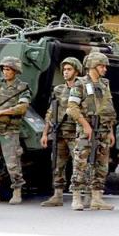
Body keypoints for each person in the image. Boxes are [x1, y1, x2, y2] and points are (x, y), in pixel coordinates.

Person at [67, 52, 116, 210]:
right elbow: (72, 108)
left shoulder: (104, 84)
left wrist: (110, 131)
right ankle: (76, 197)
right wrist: (85, 125)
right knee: (80, 163)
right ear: (93, 66)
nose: (105, 69)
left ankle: (96, 198)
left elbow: (109, 109)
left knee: (101, 165)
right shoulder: (80, 83)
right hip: (86, 129)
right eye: (102, 66)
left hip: (103, 129)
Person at [0, 56, 31, 205]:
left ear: (15, 71)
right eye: (3, 69)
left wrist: (0, 113)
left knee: (12, 162)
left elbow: (22, 108)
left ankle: (17, 191)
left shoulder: (22, 87)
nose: (5, 72)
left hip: (10, 130)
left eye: (8, 69)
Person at [40, 57, 83, 207]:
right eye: (64, 69)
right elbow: (51, 112)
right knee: (57, 165)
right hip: (59, 132)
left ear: (76, 71)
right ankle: (57, 195)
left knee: (79, 165)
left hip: (76, 133)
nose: (65, 72)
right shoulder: (59, 89)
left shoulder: (82, 88)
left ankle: (77, 196)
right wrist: (45, 133)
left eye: (69, 69)